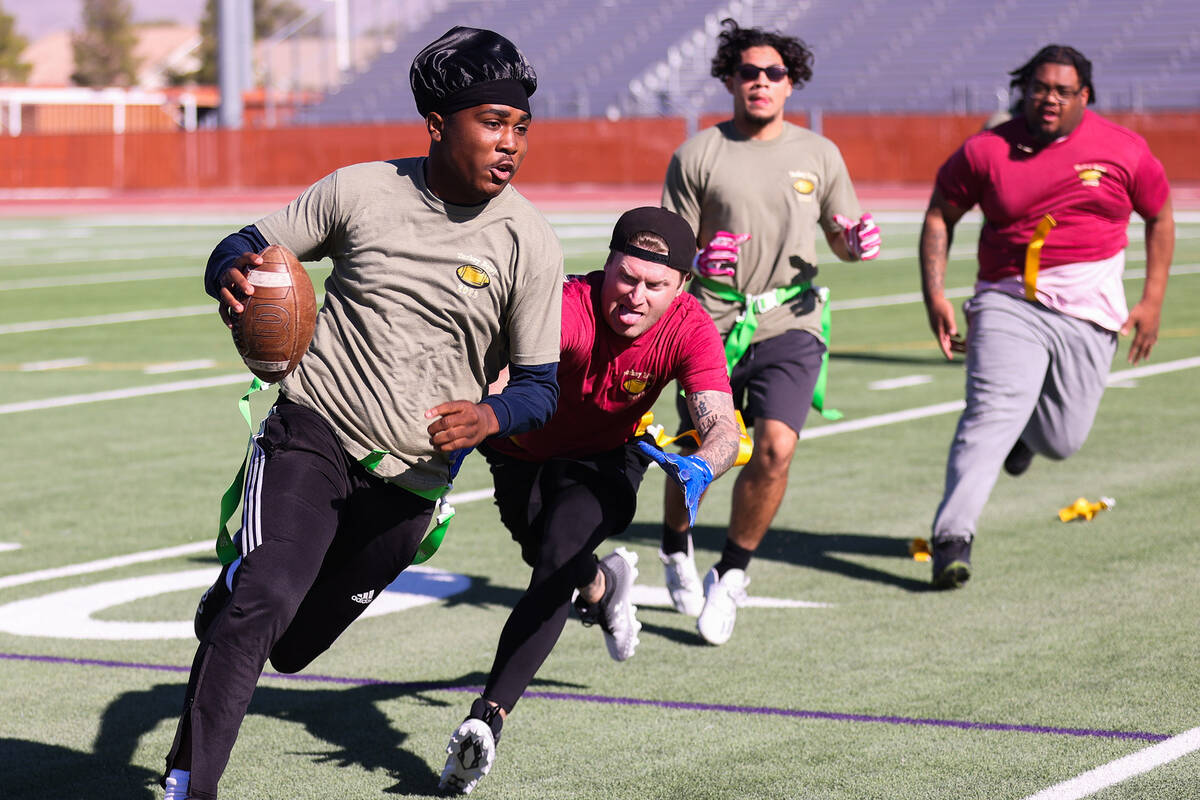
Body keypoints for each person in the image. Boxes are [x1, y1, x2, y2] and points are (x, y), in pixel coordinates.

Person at [160, 27, 565, 800]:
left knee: (292, 649)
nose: (510, 142)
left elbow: (540, 389)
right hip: (313, 432)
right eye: (491, 122)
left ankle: (236, 589)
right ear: (438, 124)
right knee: (266, 598)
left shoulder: (530, 244)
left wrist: (490, 417)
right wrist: (230, 274)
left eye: (520, 126)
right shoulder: (359, 190)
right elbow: (244, 243)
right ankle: (190, 781)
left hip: (411, 485)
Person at [438, 207, 742, 794]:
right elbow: (498, 381)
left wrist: (704, 464)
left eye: (656, 285)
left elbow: (722, 426)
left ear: (683, 285)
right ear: (607, 265)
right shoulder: (565, 307)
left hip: (607, 458)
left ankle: (486, 720)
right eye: (627, 277)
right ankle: (602, 587)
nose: (636, 296)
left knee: (556, 560)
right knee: (548, 553)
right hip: (521, 452)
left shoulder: (691, 327)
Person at [657, 19, 881, 645]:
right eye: (749, 72)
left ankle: (731, 573)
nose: (761, 81)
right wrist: (699, 260)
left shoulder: (820, 153)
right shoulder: (697, 155)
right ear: (730, 79)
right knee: (701, 452)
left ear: (791, 82)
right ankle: (675, 543)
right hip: (711, 321)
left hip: (792, 318)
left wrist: (855, 243)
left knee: (776, 448)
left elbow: (842, 235)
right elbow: (669, 251)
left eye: (774, 72)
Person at [919, 44, 1174, 589]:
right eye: (1039, 88)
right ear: (1024, 91)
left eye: (1063, 90)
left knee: (1062, 440)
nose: (1049, 98)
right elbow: (941, 212)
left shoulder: (1123, 149)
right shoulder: (987, 150)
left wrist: (1152, 300)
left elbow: (1160, 215)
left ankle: (1026, 440)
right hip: (1007, 300)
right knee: (989, 413)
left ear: (1085, 96)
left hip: (1090, 311)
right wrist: (934, 293)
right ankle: (952, 538)